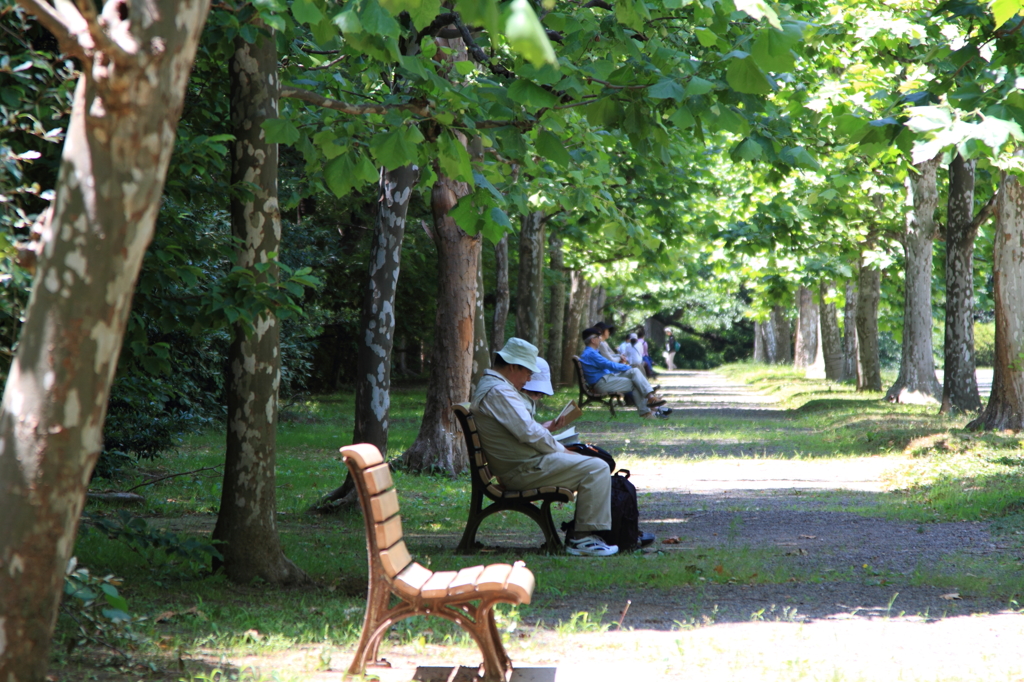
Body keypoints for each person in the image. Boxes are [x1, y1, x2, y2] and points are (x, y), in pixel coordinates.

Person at [471, 338, 618, 557]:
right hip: (522, 470)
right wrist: (562, 450)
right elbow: (529, 432)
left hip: (522, 464)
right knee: (596, 467)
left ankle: (585, 536)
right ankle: (582, 539)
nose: (529, 378)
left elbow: (526, 429)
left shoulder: (496, 387)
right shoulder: (500, 391)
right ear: (513, 367)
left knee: (593, 462)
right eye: (528, 372)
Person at [579, 328, 671, 419]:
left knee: (634, 371)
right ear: (592, 340)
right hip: (602, 382)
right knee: (635, 381)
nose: (600, 339)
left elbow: (607, 365)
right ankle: (648, 412)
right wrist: (627, 367)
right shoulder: (591, 354)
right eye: (597, 337)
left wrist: (628, 368)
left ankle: (651, 399)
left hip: (605, 379)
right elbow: (608, 365)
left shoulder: (591, 352)